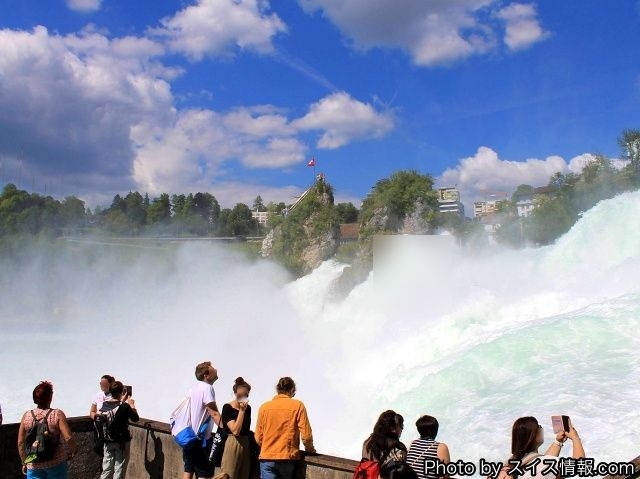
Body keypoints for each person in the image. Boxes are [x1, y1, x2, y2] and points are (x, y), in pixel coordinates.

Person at [255, 377, 316, 479]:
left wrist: (268, 447)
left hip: (267, 457)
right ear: (291, 390)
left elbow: (258, 437)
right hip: (287, 457)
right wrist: (310, 450)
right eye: (294, 393)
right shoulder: (298, 405)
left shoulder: (264, 407)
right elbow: (306, 436)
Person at [17, 381, 79, 478]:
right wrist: (73, 450)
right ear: (50, 397)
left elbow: (20, 442)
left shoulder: (26, 416)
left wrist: (24, 462)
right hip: (56, 462)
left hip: (33, 464)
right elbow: (68, 437)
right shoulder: (57, 414)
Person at [496, 416, 585, 479]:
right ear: (534, 435)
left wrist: (558, 442)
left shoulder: (511, 463)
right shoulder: (544, 465)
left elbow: (543, 463)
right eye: (539, 427)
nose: (541, 428)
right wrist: (575, 438)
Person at [182, 361, 222, 479]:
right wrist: (225, 428)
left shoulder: (192, 388)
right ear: (206, 375)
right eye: (213, 368)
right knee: (205, 474)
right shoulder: (207, 388)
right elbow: (213, 412)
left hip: (189, 437)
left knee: (188, 470)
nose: (216, 370)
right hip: (202, 440)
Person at [99, 381, 139, 479]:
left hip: (107, 441)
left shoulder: (105, 405)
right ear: (122, 392)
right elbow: (135, 418)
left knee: (107, 468)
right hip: (120, 442)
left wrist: (122, 401)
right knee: (119, 468)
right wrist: (132, 405)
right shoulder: (124, 406)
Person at [220, 377, 252, 479]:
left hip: (245, 443)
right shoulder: (227, 408)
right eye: (240, 395)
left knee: (244, 474)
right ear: (235, 394)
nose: (243, 398)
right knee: (229, 474)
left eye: (245, 395)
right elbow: (235, 430)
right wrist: (241, 411)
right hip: (232, 442)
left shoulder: (248, 408)